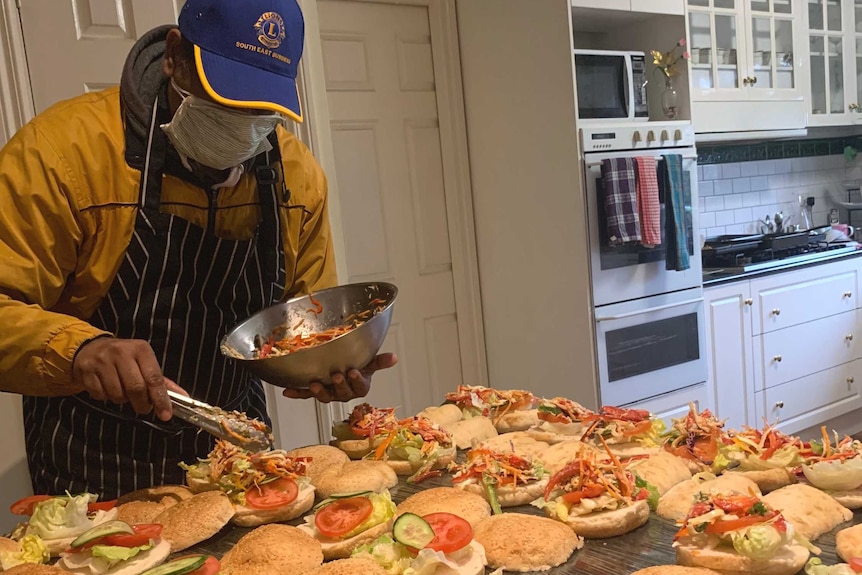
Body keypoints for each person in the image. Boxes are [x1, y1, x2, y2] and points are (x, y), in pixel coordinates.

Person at [0, 0, 396, 498]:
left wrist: (333, 364)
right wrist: (80, 350)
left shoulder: (296, 177)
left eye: (260, 111)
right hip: (94, 456)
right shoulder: (61, 155)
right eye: (224, 98)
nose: (241, 125)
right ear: (174, 58)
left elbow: (306, 318)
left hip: (235, 444)